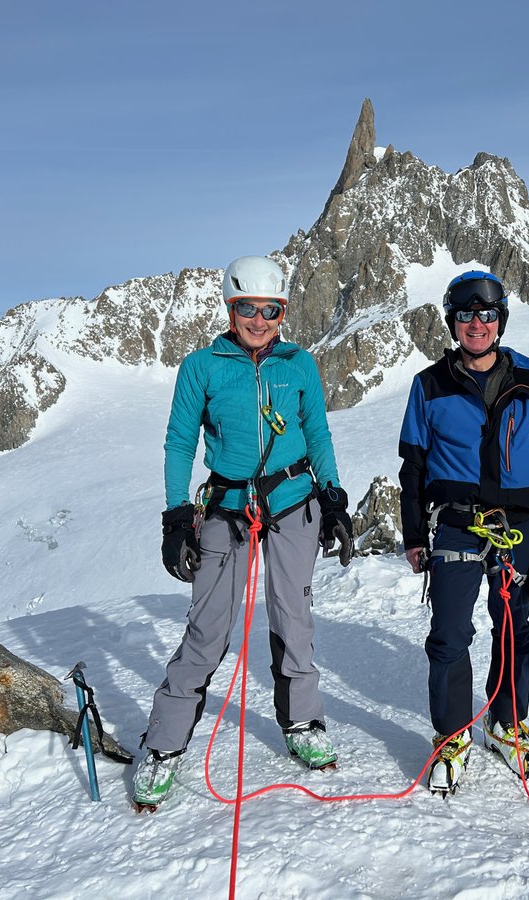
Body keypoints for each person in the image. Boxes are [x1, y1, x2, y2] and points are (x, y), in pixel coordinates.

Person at [132, 255, 354, 810]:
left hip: (292, 499)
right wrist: (177, 515)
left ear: (283, 311)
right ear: (231, 309)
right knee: (207, 628)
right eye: (248, 308)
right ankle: (162, 745)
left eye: (270, 309)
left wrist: (331, 495)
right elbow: (180, 442)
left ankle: (302, 721)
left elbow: (317, 432)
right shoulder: (201, 366)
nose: (259, 319)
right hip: (228, 508)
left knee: (293, 616)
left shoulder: (299, 364)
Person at [398, 270, 529, 795]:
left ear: (500, 320)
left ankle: (506, 723)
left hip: (518, 526)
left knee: (513, 627)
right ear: (453, 322)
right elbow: (413, 463)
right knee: (450, 633)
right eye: (466, 315)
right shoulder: (429, 384)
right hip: (454, 523)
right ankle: (452, 733)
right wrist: (413, 534)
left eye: (487, 314)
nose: (476, 324)